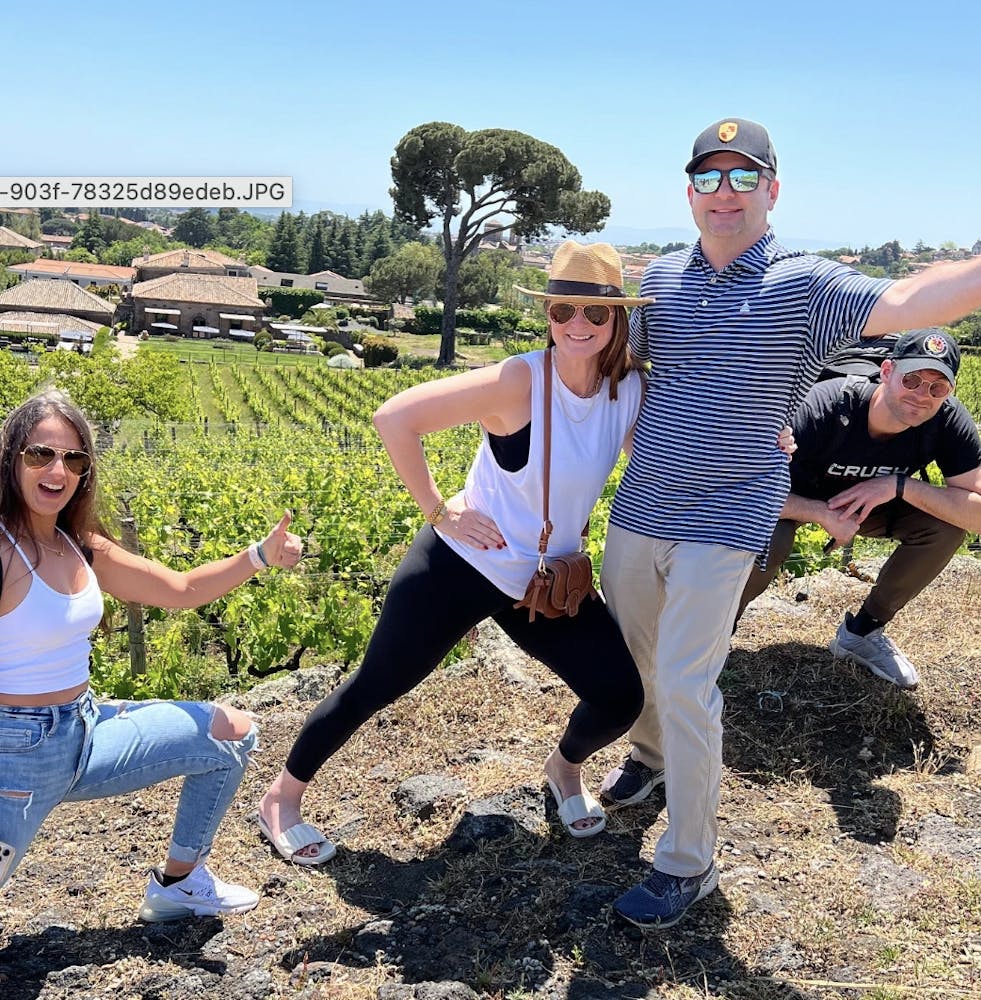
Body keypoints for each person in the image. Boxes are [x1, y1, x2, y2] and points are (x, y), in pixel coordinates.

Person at [598, 117, 981, 930]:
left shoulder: (805, 284)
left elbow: (913, 299)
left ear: (772, 190)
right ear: (688, 192)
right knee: (632, 665)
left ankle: (686, 864)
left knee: (685, 681)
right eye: (708, 178)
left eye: (743, 178)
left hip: (727, 518)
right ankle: (649, 756)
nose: (724, 193)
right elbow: (608, 371)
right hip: (638, 511)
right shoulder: (658, 280)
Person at [256, 241, 651, 862]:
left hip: (542, 581)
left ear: (617, 321)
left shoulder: (625, 391)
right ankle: (281, 798)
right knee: (375, 685)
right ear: (547, 314)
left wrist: (768, 440)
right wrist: (441, 509)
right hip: (458, 566)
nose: (577, 325)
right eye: (562, 310)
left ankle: (563, 768)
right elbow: (394, 417)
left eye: (595, 314)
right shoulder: (518, 381)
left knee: (620, 696)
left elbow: (672, 444)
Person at [0, 389, 303, 921]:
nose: (57, 469)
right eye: (39, 454)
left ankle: (179, 886)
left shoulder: (80, 544)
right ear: (11, 460)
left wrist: (260, 555)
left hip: (86, 732)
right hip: (15, 755)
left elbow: (181, 589)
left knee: (228, 731)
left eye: (73, 458)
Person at [736, 327, 981, 688]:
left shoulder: (946, 422)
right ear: (886, 372)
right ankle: (714, 632)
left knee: (945, 527)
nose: (921, 396)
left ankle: (862, 633)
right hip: (792, 498)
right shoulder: (824, 407)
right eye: (911, 380)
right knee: (766, 537)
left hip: (875, 506)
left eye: (936, 388)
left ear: (949, 394)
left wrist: (899, 485)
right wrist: (820, 513)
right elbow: (745, 492)